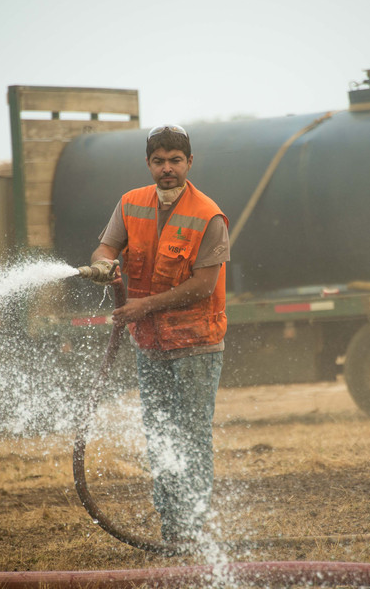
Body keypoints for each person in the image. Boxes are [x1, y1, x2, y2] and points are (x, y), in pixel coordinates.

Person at [86, 124, 229, 544]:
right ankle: (173, 530)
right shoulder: (131, 204)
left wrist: (142, 307)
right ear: (148, 163)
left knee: (192, 435)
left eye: (175, 160)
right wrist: (103, 265)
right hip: (150, 345)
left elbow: (203, 285)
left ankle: (194, 529)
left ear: (189, 163)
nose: (167, 168)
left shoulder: (209, 215)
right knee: (161, 435)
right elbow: (106, 248)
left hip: (197, 345)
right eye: (159, 161)